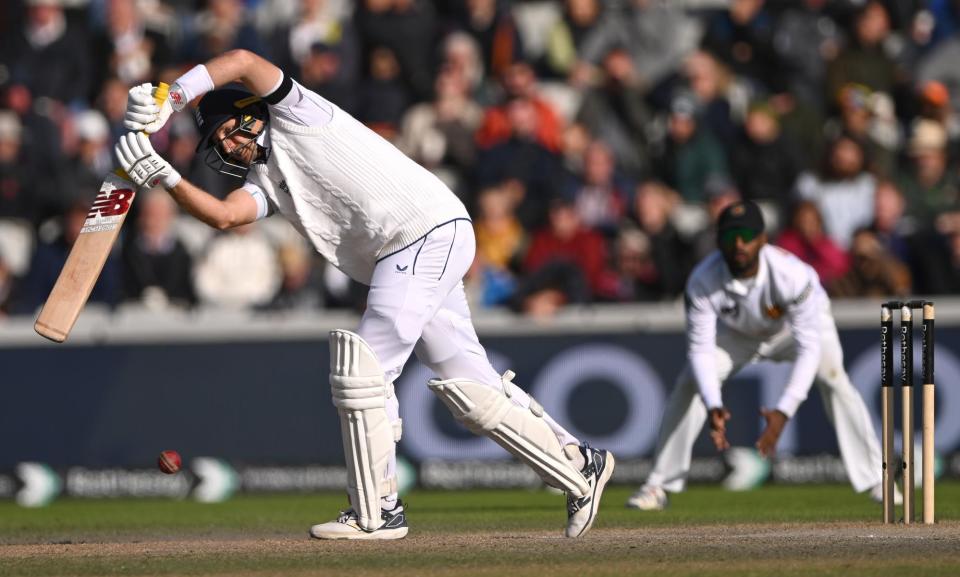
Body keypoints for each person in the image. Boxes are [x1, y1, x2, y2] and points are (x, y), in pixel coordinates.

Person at [115, 48, 614, 540]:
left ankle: (377, 512)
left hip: (418, 232)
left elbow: (243, 60)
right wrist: (166, 177)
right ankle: (579, 463)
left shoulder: (298, 112)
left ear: (251, 112)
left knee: (363, 368)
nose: (227, 143)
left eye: (229, 128)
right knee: (471, 388)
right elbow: (225, 216)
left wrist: (173, 95)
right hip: (418, 245)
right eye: (217, 140)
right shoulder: (268, 181)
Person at [625, 200, 896, 511]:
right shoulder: (703, 280)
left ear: (763, 239)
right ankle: (658, 486)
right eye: (729, 237)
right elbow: (700, 348)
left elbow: (809, 348)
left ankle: (879, 480)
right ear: (718, 241)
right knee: (691, 383)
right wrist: (713, 402)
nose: (738, 244)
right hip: (738, 336)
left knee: (835, 380)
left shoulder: (792, 275)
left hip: (793, 334)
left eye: (746, 236)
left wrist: (783, 412)